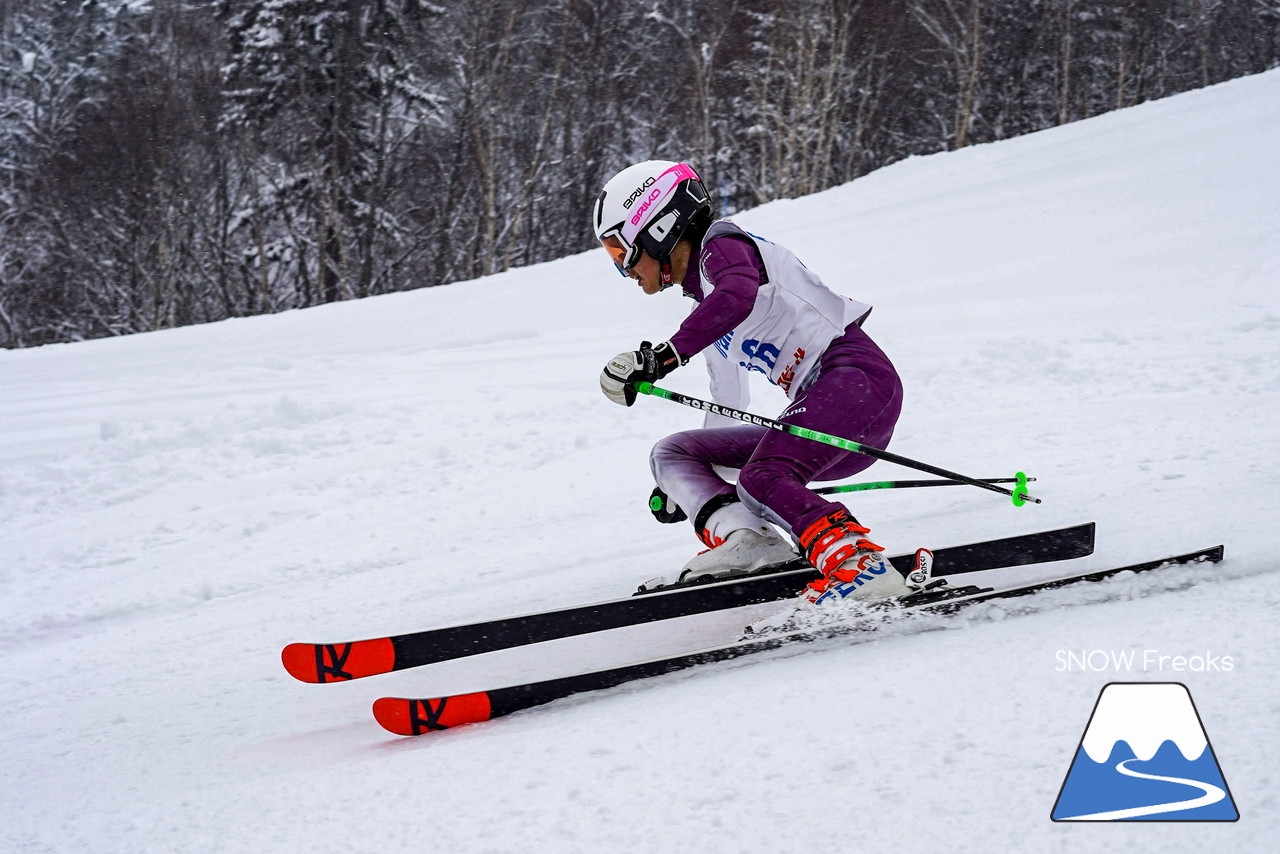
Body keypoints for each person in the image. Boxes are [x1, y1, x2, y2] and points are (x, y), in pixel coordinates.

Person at [594, 160, 915, 607]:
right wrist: (688, 489)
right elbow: (727, 400)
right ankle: (749, 541)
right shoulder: (708, 312)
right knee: (675, 453)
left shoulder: (722, 245)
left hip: (857, 381)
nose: (623, 268)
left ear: (659, 226)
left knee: (763, 475)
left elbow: (738, 294)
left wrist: (663, 356)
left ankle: (859, 565)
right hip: (828, 412)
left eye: (618, 250)